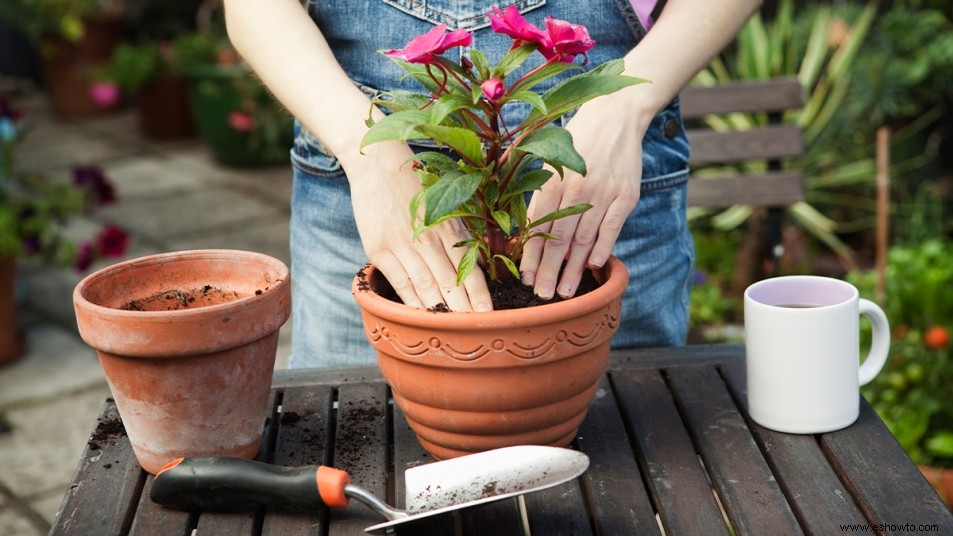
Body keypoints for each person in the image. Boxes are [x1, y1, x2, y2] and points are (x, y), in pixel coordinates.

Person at [223, 0, 762, 367]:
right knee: (369, 454)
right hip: (370, 195)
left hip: (598, 193)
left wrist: (626, 101)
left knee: (622, 466)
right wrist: (366, 146)